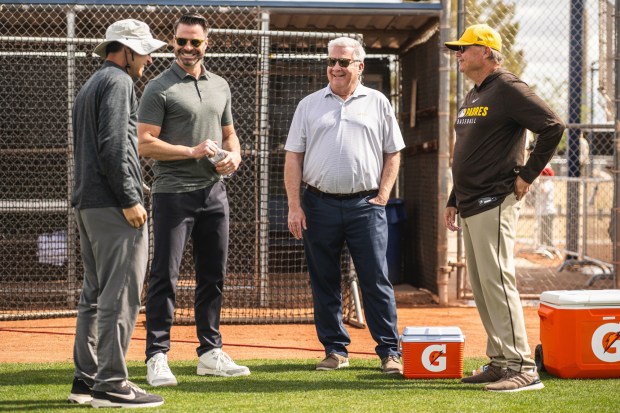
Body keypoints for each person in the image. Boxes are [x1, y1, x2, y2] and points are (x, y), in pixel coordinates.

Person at [444, 24, 564, 392]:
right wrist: (453, 197)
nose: (458, 54)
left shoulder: (509, 88)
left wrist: (527, 174)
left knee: (497, 282)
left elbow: (553, 126)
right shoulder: (474, 93)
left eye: (464, 48)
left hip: (494, 198)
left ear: (486, 52)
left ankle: (523, 367)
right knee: (483, 286)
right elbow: (466, 150)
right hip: (469, 201)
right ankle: (500, 361)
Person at [138, 13, 249, 387]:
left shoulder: (220, 85)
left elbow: (230, 135)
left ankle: (209, 353)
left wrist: (234, 156)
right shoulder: (158, 87)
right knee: (164, 277)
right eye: (181, 41)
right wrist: (191, 151)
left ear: (207, 44)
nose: (187, 48)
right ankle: (157, 355)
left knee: (213, 275)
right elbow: (145, 143)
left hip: (214, 194)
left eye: (195, 42)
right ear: (173, 43)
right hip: (172, 195)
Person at [284, 37, 404, 374]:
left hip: (365, 205)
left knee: (376, 279)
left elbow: (393, 151)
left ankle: (389, 353)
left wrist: (382, 196)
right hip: (318, 204)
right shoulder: (308, 105)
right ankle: (335, 350)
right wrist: (295, 205)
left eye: (344, 62)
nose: (336, 67)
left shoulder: (378, 102)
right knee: (324, 279)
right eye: (332, 61)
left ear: (360, 66)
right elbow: (293, 156)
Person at [68, 19, 166, 408]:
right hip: (112, 204)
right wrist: (130, 197)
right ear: (124, 50)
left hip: (89, 203)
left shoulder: (93, 82)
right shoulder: (119, 82)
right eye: (143, 51)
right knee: (120, 295)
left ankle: (86, 380)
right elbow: (114, 145)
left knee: (94, 295)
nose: (147, 59)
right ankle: (110, 383)